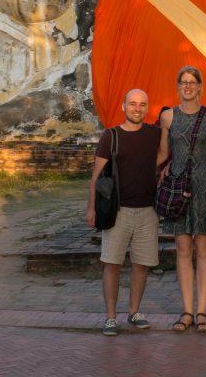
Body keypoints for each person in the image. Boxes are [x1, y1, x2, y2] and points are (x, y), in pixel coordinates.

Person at [85, 89, 161, 337]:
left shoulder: (154, 134)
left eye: (142, 104)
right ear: (123, 106)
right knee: (112, 263)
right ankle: (110, 317)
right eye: (132, 104)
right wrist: (91, 208)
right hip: (118, 210)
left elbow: (166, 156)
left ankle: (135, 311)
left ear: (146, 108)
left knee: (141, 264)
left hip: (148, 210)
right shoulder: (111, 136)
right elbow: (96, 176)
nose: (137, 108)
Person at [156, 66, 206, 333]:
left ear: (200, 86)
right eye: (183, 82)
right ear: (178, 86)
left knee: (204, 250)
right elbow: (163, 152)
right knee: (182, 250)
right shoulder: (168, 117)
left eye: (193, 82)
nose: (188, 87)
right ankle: (186, 311)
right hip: (177, 186)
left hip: (204, 186)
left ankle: (202, 312)